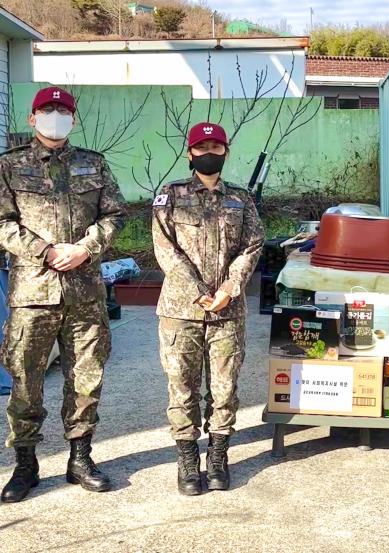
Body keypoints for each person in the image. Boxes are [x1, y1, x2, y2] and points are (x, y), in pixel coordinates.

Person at [0, 86, 126, 503]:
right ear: (33, 119)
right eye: (47, 110)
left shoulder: (94, 164)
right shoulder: (9, 166)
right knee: (25, 381)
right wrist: (46, 250)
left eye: (63, 110)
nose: (56, 116)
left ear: (73, 120)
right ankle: (25, 465)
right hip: (33, 293)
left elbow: (114, 214)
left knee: (86, 379)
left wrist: (85, 248)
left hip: (84, 292)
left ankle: (80, 458)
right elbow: (2, 222)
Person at [152, 122, 264, 496]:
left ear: (226, 151)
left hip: (227, 313)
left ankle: (217, 456)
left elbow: (252, 245)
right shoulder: (170, 196)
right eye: (201, 147)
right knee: (182, 387)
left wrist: (230, 289)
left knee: (224, 388)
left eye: (216, 146)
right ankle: (187, 459)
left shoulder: (242, 200)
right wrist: (200, 291)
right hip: (180, 311)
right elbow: (165, 249)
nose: (208, 152)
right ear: (190, 153)